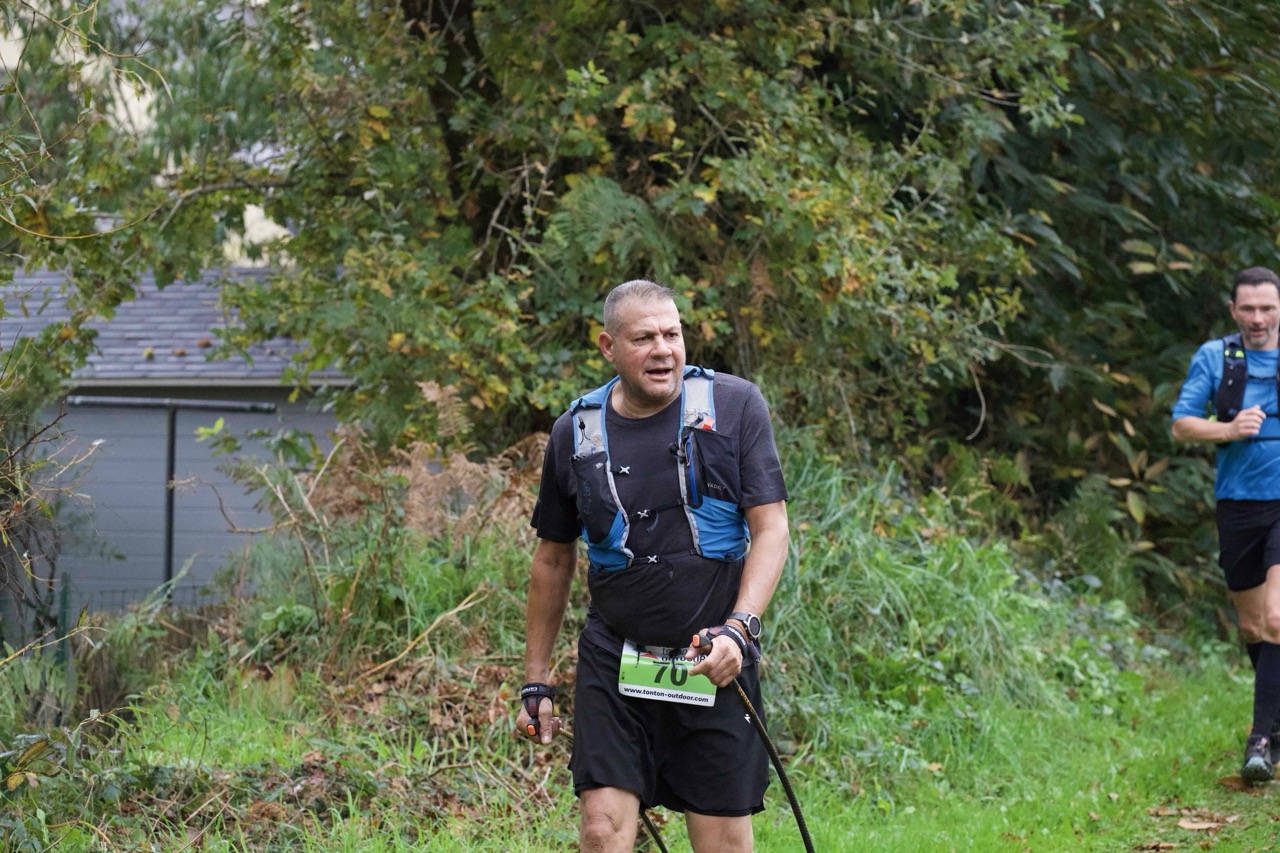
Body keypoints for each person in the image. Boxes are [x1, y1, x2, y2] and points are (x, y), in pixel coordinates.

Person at [516, 279, 790, 852]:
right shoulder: (575, 433)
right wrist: (536, 679)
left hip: (712, 658)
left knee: (723, 844)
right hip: (615, 657)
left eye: (672, 334)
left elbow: (771, 529)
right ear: (608, 347)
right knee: (600, 829)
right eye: (644, 338)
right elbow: (553, 559)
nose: (663, 350)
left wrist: (740, 629)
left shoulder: (735, 406)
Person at [1172, 265, 1280, 783]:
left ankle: (1259, 740)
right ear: (1233, 310)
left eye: (1268, 308)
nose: (1258, 318)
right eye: (1249, 308)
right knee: (1253, 627)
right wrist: (1229, 429)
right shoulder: (1215, 357)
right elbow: (1181, 425)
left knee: (1278, 618)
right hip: (1238, 503)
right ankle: (1276, 722)